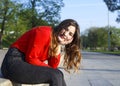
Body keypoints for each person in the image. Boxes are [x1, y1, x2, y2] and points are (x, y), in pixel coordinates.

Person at [1, 19, 81, 86]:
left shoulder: (54, 41)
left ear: (72, 39)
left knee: (59, 74)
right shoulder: (45, 32)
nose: (66, 34)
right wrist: (52, 71)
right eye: (66, 29)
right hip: (13, 64)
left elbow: (53, 66)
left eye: (70, 34)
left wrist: (58, 45)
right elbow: (31, 58)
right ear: (61, 26)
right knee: (55, 74)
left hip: (24, 64)